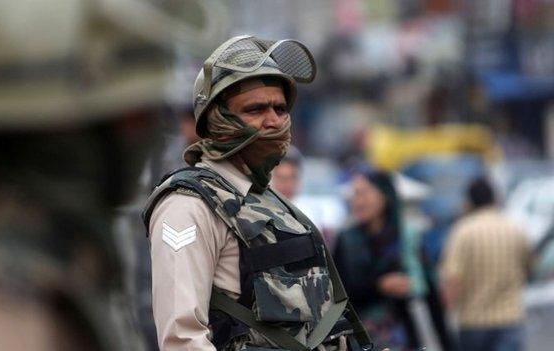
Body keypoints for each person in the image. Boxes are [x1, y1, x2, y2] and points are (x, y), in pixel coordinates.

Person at [0, 0, 182, 349]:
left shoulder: (58, 254)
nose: (149, 136)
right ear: (65, 129)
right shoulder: (1, 318)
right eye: (136, 116)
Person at [144, 35, 375, 351]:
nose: (274, 121)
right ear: (217, 119)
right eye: (256, 109)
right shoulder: (188, 205)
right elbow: (182, 339)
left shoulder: (274, 202)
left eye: (280, 108)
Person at [333, 170, 430, 350]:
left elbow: (430, 292)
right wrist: (379, 286)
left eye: (364, 193)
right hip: (358, 337)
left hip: (401, 336)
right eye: (355, 194)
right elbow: (337, 294)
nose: (357, 200)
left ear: (385, 195)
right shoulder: (346, 240)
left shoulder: (405, 237)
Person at [441, 177, 530, 351]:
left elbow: (453, 279)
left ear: (469, 202)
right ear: (494, 198)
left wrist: (447, 312)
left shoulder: (462, 231)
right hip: (510, 317)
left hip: (473, 322)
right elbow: (528, 267)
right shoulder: (515, 228)